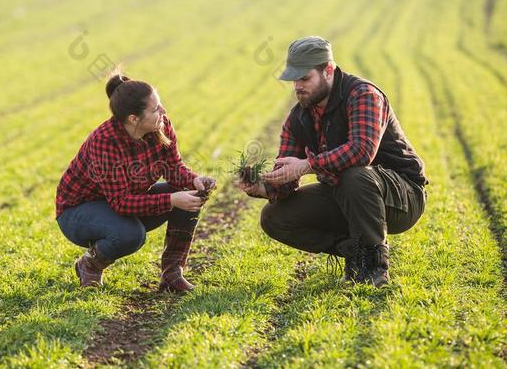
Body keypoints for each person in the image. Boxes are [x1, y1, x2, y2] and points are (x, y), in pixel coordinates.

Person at [239, 36, 427, 288]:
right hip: (345, 195)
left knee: (354, 174)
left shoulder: (363, 95)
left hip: (402, 197)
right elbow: (286, 180)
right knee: (274, 217)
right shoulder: (298, 118)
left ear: (328, 70)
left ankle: (374, 267)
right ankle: (354, 252)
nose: (298, 86)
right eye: (294, 79)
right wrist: (264, 187)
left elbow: (361, 151)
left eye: (305, 78)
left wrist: (307, 164)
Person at [55, 72, 216, 292]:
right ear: (133, 119)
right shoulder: (105, 141)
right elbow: (121, 203)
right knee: (131, 235)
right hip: (78, 212)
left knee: (190, 192)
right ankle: (90, 265)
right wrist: (170, 200)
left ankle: (172, 274)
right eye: (155, 109)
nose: (163, 112)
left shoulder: (160, 125)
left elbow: (174, 168)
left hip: (117, 204)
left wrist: (196, 180)